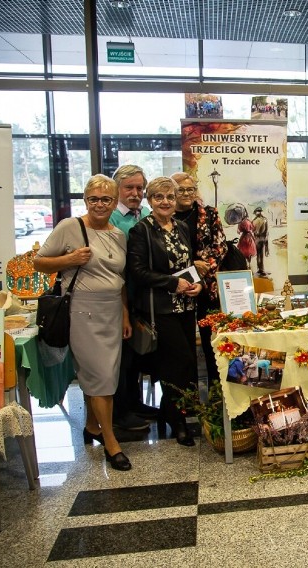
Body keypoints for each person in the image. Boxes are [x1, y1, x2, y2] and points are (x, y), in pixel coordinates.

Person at [34, 174, 133, 471]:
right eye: (94, 199)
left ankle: (92, 426)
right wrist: (70, 259)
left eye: (106, 199)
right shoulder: (71, 227)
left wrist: (125, 313)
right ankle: (110, 441)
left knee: (104, 377)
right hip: (82, 312)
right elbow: (38, 262)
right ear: (85, 201)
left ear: (114, 202)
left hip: (112, 310)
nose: (100, 205)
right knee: (101, 377)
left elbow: (121, 279)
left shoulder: (117, 233)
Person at [127, 177, 203, 447]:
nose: (166, 202)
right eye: (159, 197)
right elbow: (137, 272)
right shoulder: (141, 231)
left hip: (185, 307)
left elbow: (188, 263)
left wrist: (197, 284)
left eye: (170, 197)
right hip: (160, 309)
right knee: (177, 363)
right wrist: (173, 283)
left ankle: (170, 411)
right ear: (150, 200)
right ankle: (177, 420)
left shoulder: (181, 227)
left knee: (185, 364)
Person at [108, 164, 156, 432]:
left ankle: (136, 403)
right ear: (117, 189)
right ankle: (120, 411)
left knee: (138, 354)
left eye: (139, 188)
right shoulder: (112, 219)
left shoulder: (147, 214)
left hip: (144, 296)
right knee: (122, 358)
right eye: (129, 187)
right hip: (120, 296)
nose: (135, 192)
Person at [170, 172, 228, 388]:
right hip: (179, 290)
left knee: (211, 343)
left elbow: (220, 248)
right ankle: (190, 396)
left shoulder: (210, 214)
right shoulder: (167, 217)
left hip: (208, 288)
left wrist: (202, 275)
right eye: (180, 190)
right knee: (183, 347)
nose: (186, 194)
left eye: (190, 189)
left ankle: (216, 395)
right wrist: (192, 267)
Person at [252, 206, 269, 276]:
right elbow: (266, 231)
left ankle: (259, 269)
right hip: (262, 238)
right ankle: (261, 269)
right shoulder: (265, 220)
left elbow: (252, 231)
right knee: (260, 254)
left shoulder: (253, 221)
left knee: (258, 254)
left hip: (256, 239)